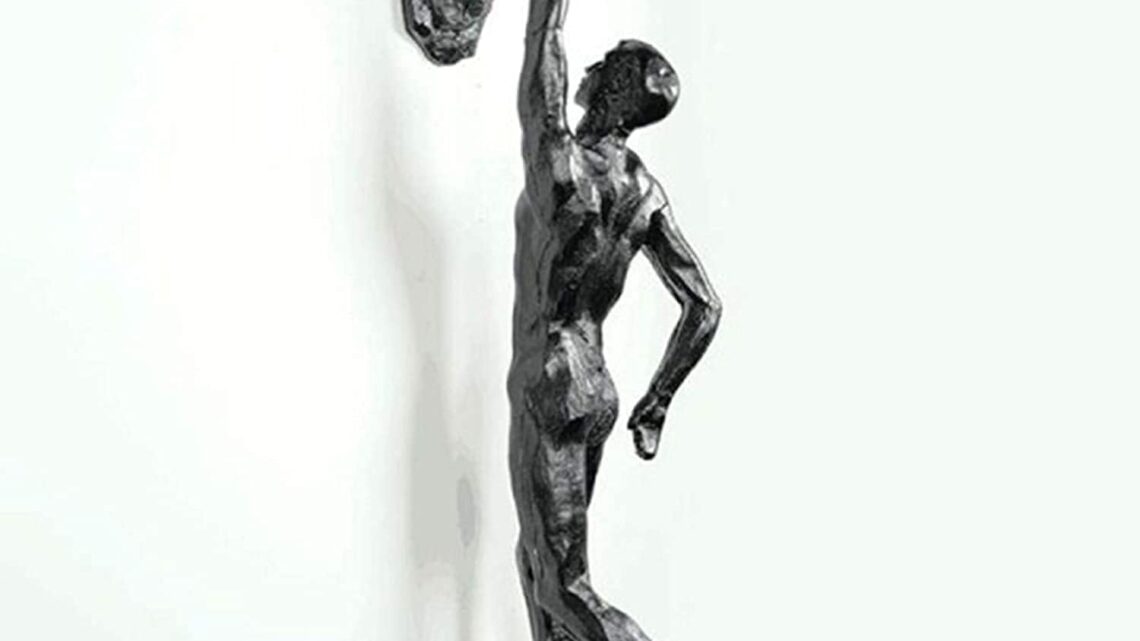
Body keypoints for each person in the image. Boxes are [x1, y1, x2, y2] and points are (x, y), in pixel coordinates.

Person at [508, 0, 722, 638]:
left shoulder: (564, 168)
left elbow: (543, 43)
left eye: (603, 64)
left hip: (553, 380)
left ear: (616, 90)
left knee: (564, 584)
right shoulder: (644, 192)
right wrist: (656, 402)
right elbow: (704, 306)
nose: (589, 69)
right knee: (538, 562)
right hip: (596, 388)